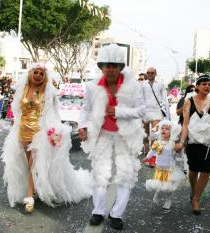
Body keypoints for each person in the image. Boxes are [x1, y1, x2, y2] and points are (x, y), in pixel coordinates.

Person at [1, 64, 91, 213]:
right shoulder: (22, 90)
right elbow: (17, 111)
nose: (38, 75)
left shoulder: (49, 93)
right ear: (30, 74)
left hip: (39, 133)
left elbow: (54, 114)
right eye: (35, 72)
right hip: (23, 131)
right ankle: (34, 188)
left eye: (41, 74)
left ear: (45, 77)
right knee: (27, 161)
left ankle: (30, 196)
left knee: (32, 163)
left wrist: (52, 131)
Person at [78, 44, 145, 230]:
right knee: (100, 174)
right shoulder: (92, 86)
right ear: (101, 67)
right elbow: (86, 109)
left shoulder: (133, 86)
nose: (111, 69)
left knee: (125, 175)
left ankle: (117, 215)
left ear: (121, 67)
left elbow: (141, 110)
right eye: (107, 65)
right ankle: (98, 212)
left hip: (126, 137)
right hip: (102, 135)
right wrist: (82, 126)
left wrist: (118, 111)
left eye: (115, 65)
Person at [175, 74, 210, 215]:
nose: (207, 86)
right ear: (198, 86)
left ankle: (196, 199)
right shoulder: (189, 101)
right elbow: (185, 124)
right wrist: (182, 141)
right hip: (193, 143)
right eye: (204, 84)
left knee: (206, 171)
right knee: (193, 171)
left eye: (209, 84)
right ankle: (194, 190)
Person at [142, 120, 185, 210]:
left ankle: (168, 200)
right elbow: (152, 151)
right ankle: (157, 193)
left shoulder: (172, 143)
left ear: (171, 132)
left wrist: (178, 151)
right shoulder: (157, 142)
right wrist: (147, 157)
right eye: (162, 128)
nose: (164, 130)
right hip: (159, 167)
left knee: (168, 187)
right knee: (159, 183)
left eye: (167, 129)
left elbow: (178, 155)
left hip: (169, 168)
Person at [141, 67, 170, 165]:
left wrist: (166, 111)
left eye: (152, 73)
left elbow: (164, 98)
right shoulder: (143, 84)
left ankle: (152, 157)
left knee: (155, 134)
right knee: (145, 135)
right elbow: (139, 98)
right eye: (148, 72)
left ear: (155, 73)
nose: (150, 74)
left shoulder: (160, 83)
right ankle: (146, 151)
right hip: (145, 111)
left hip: (156, 111)